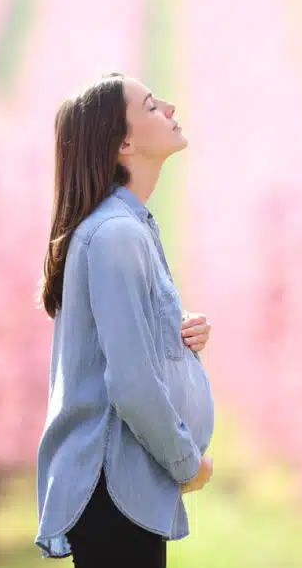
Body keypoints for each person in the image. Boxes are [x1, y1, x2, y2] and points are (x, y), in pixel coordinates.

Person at [34, 73, 215, 567]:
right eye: (154, 106)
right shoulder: (116, 235)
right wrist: (186, 463)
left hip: (120, 491)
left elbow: (126, 346)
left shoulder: (126, 226)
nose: (172, 107)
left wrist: (178, 335)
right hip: (114, 490)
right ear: (124, 142)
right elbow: (131, 382)